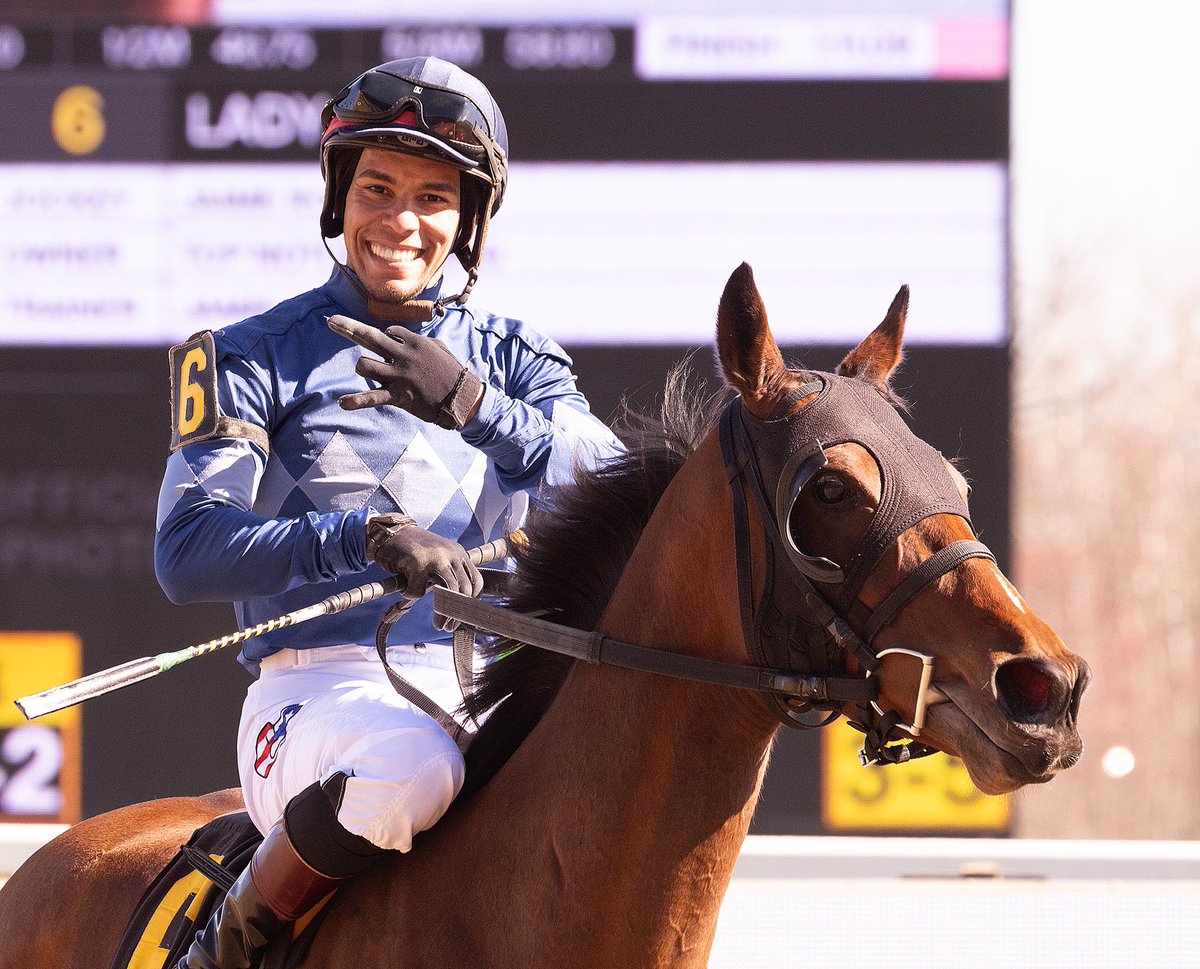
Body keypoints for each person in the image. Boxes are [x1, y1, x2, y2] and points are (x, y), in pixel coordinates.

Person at [155, 56, 622, 969]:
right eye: (376, 187)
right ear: (339, 201)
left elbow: (616, 483)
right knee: (414, 764)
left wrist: (475, 406)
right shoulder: (250, 356)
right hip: (313, 696)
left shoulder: (519, 359)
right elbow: (189, 549)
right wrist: (360, 537)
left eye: (433, 198)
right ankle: (225, 946)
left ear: (468, 221)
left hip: (492, 682)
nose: (400, 221)